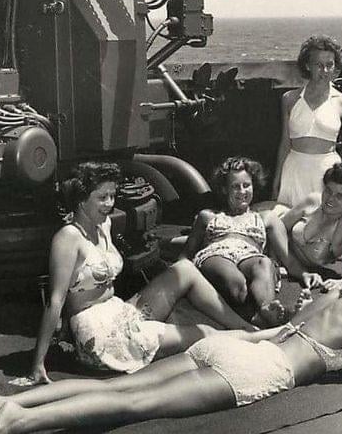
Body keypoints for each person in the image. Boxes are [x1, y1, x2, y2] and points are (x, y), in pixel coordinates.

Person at [0, 250, 342, 434]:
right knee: (132, 406)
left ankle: (3, 401)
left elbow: (341, 338)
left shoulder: (336, 298)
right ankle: (18, 421)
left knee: (124, 391)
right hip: (256, 370)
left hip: (241, 349)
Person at [26, 161, 256, 384]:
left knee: (184, 269)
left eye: (111, 196)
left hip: (119, 312)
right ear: (81, 200)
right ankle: (257, 338)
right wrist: (38, 364)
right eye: (101, 197)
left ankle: (244, 327)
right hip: (98, 332)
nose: (109, 203)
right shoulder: (67, 238)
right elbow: (55, 301)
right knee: (203, 333)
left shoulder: (103, 225)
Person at [180, 157, 295, 325]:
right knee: (237, 282)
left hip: (250, 255)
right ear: (225, 190)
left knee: (264, 263)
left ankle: (266, 310)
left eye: (246, 185)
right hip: (217, 254)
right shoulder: (208, 216)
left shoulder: (264, 217)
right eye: (235, 186)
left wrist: (307, 273)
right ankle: (256, 319)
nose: (242, 191)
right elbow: (185, 255)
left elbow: (288, 258)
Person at [272, 35, 342, 212]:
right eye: (318, 65)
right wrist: (276, 182)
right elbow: (284, 144)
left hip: (327, 176)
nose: (325, 70)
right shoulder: (289, 99)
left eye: (330, 65)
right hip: (294, 172)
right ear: (307, 65)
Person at [280, 161, 342, 288]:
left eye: (339, 196)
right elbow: (276, 229)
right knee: (268, 218)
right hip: (279, 253)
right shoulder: (313, 201)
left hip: (295, 268)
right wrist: (275, 262)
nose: (330, 199)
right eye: (328, 191)